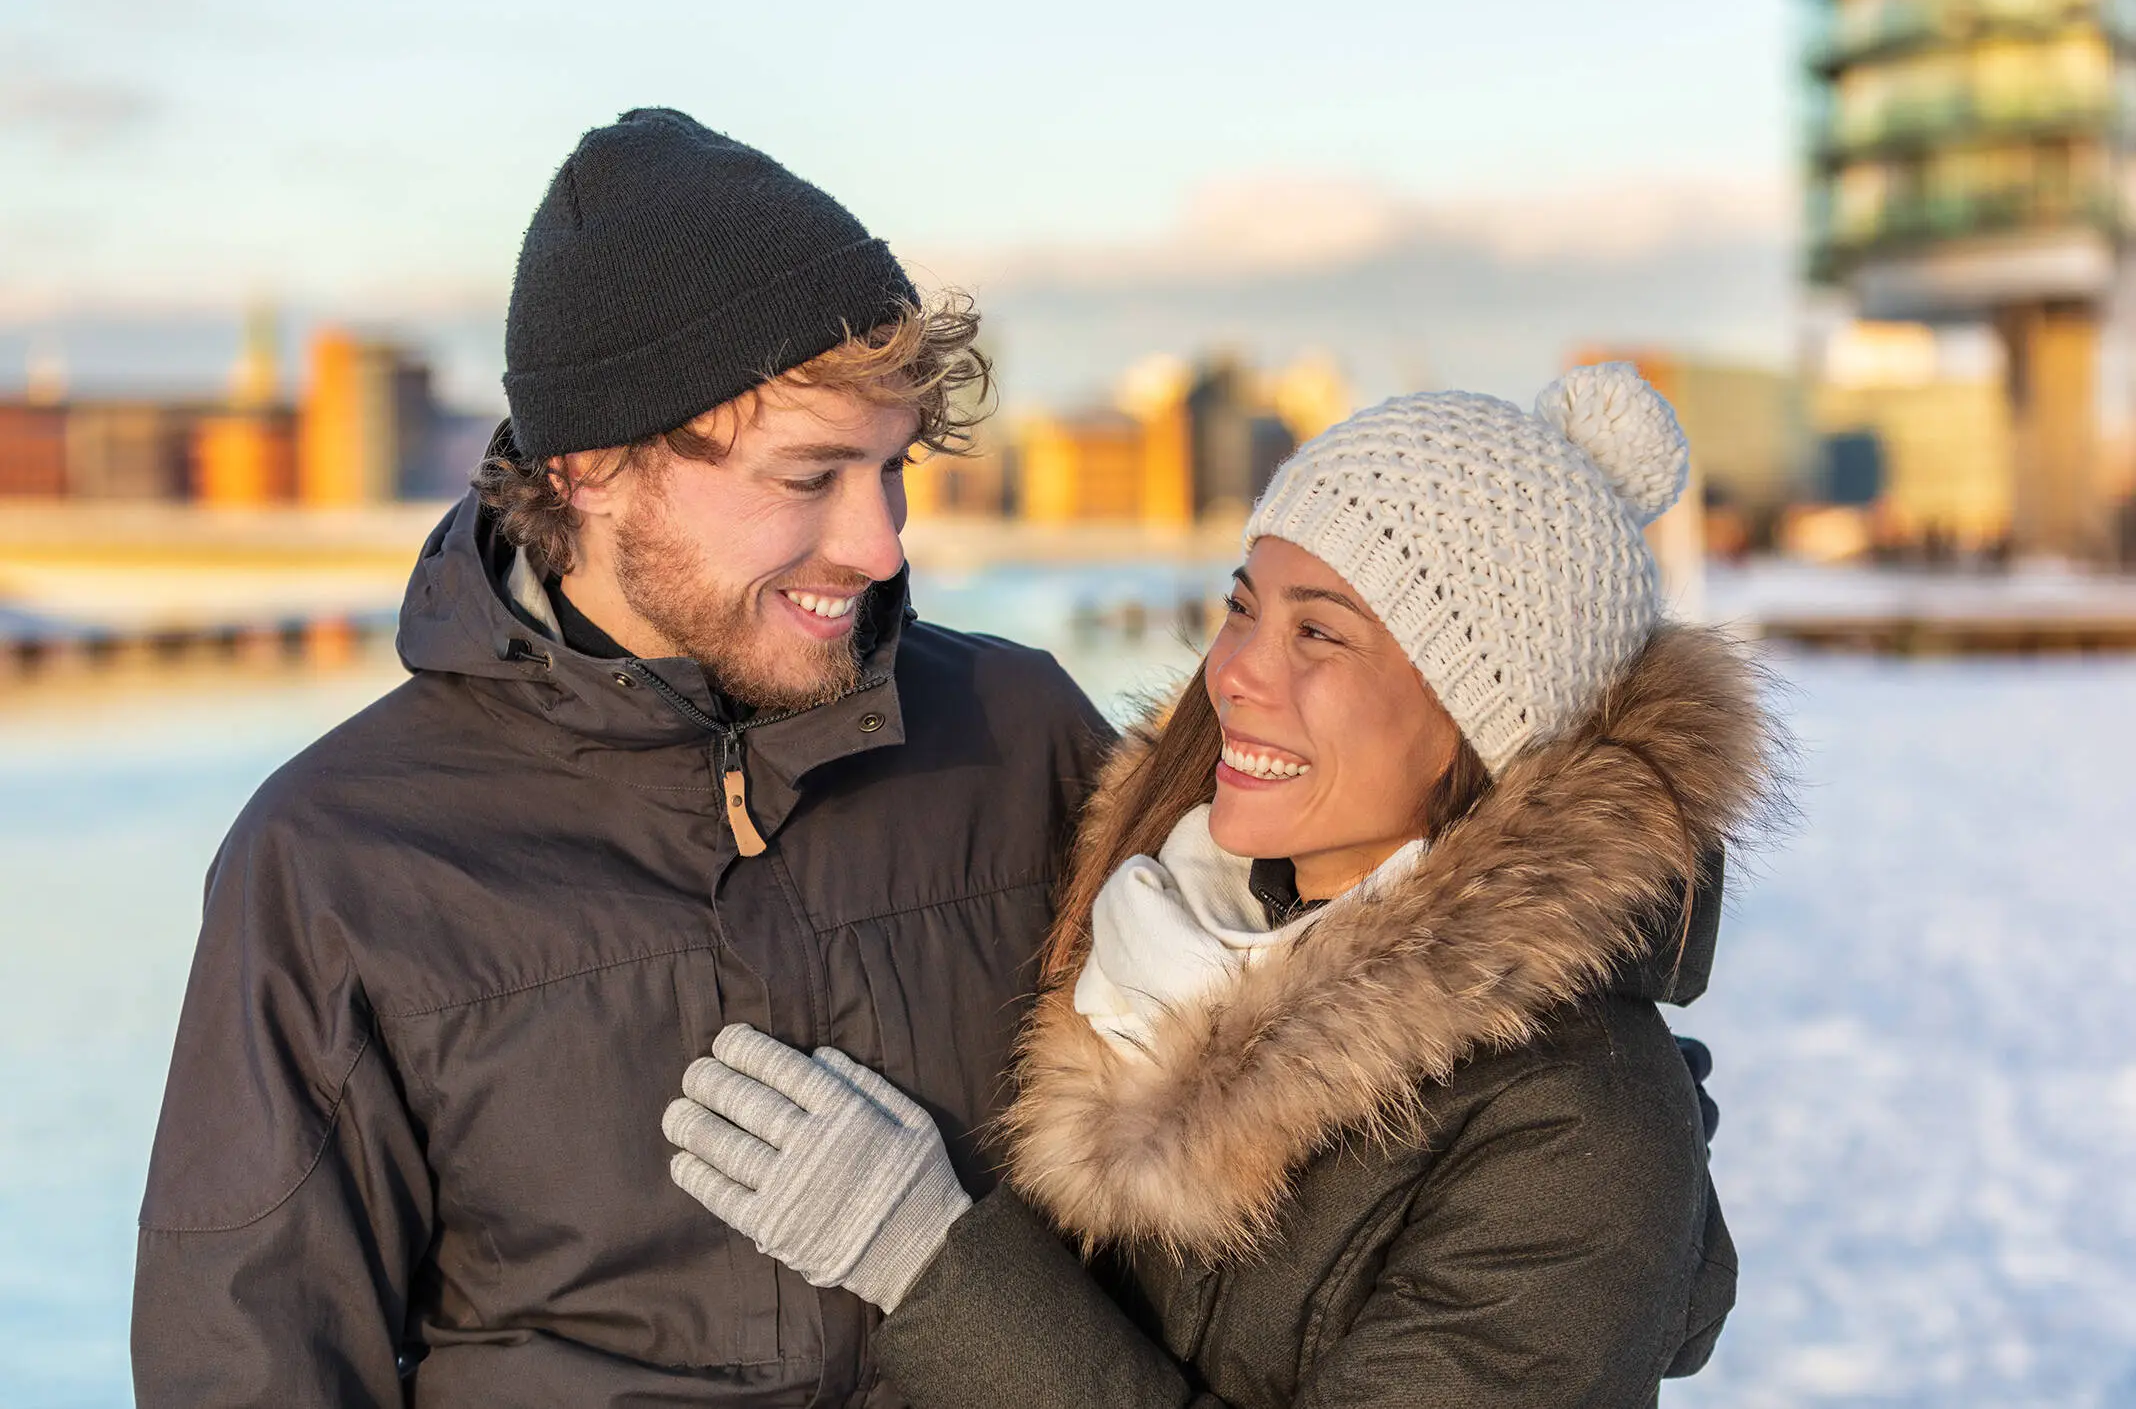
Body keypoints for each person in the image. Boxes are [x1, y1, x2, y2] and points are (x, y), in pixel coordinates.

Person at [131, 108, 1111, 1404]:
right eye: (809, 476)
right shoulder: (335, 865)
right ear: (593, 466)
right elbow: (251, 1370)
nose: (880, 545)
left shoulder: (1018, 734)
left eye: (892, 468)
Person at [663, 364, 1784, 1407]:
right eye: (1244, 607)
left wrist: (928, 1265)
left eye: (1319, 635)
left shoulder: (1579, 1129)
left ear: (1479, 725)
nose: (1236, 672)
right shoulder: (1146, 928)